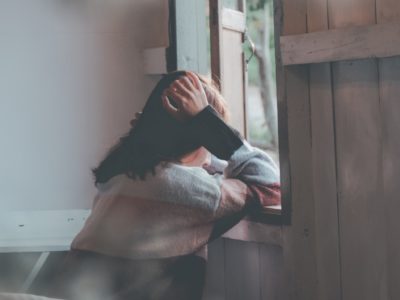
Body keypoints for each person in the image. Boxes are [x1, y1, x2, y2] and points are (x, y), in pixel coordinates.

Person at [37, 70, 280, 300]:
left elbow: (201, 168)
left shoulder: (124, 174)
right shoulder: (184, 189)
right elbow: (270, 183)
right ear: (202, 138)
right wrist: (209, 122)